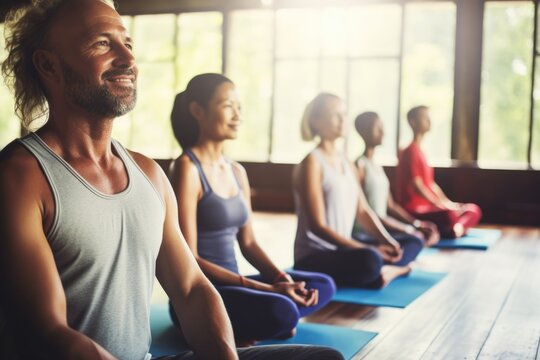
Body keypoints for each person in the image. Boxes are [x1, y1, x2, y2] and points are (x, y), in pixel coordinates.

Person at [0, 1, 343, 359]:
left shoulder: (148, 174)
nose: (128, 60)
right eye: (102, 43)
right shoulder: (20, 176)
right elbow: (47, 330)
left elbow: (193, 288)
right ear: (48, 64)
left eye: (128, 44)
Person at [169, 73, 336, 345]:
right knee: (281, 310)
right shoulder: (186, 169)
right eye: (227, 106)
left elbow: (248, 242)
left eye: (239, 107)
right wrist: (270, 289)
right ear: (197, 110)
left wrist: (282, 279)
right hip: (200, 296)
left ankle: (250, 323)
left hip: (237, 285)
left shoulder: (237, 171)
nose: (237, 115)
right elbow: (191, 258)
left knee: (322, 284)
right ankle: (241, 322)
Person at [292, 93, 414, 289]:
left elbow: (364, 212)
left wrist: (389, 242)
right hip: (316, 256)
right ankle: (397, 268)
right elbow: (318, 227)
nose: (342, 120)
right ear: (316, 121)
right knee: (370, 259)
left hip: (345, 249)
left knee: (411, 241)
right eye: (335, 115)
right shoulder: (312, 162)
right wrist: (369, 248)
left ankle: (389, 269)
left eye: (344, 114)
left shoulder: (347, 162)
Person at [354, 111, 439, 247]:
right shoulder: (359, 165)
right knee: (415, 239)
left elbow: (391, 206)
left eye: (382, 127)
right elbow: (369, 213)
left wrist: (416, 224)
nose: (383, 132)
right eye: (377, 128)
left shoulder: (377, 167)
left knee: (420, 235)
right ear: (365, 131)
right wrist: (410, 230)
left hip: (384, 224)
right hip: (368, 230)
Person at [394, 106, 482, 238]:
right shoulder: (409, 151)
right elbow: (417, 186)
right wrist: (439, 205)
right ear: (413, 122)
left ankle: (455, 229)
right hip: (415, 210)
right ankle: (456, 228)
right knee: (449, 214)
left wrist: (448, 203)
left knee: (473, 209)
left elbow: (430, 184)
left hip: (430, 207)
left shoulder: (421, 151)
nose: (429, 120)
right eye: (424, 117)